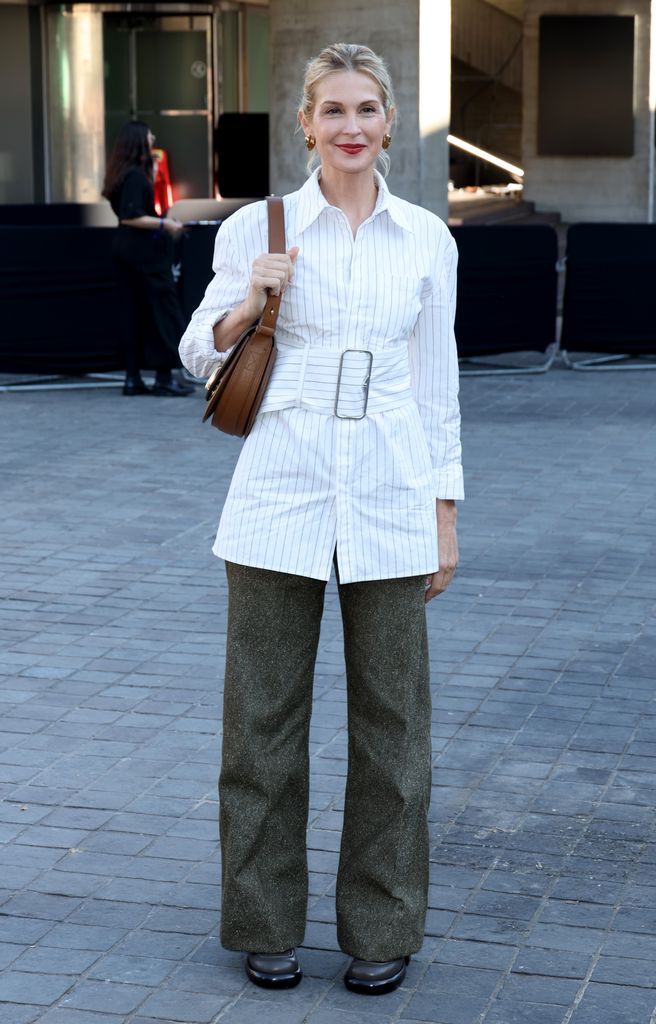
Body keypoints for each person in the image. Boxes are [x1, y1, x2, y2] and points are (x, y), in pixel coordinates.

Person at [179, 43, 463, 996]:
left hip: (389, 493)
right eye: (331, 110)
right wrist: (252, 296)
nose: (350, 127)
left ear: (389, 124)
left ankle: (382, 925)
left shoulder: (426, 237)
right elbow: (196, 347)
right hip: (278, 495)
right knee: (260, 725)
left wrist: (444, 516)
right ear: (304, 123)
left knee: (395, 730)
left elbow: (438, 388)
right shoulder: (260, 229)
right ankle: (264, 921)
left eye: (367, 110)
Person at [102, 121, 194, 396]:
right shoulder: (135, 176)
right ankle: (165, 377)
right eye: (149, 133)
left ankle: (133, 378)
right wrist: (166, 225)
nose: (153, 136)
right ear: (139, 140)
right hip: (143, 254)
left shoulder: (121, 173)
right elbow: (131, 216)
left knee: (132, 312)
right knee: (162, 311)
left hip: (124, 251)